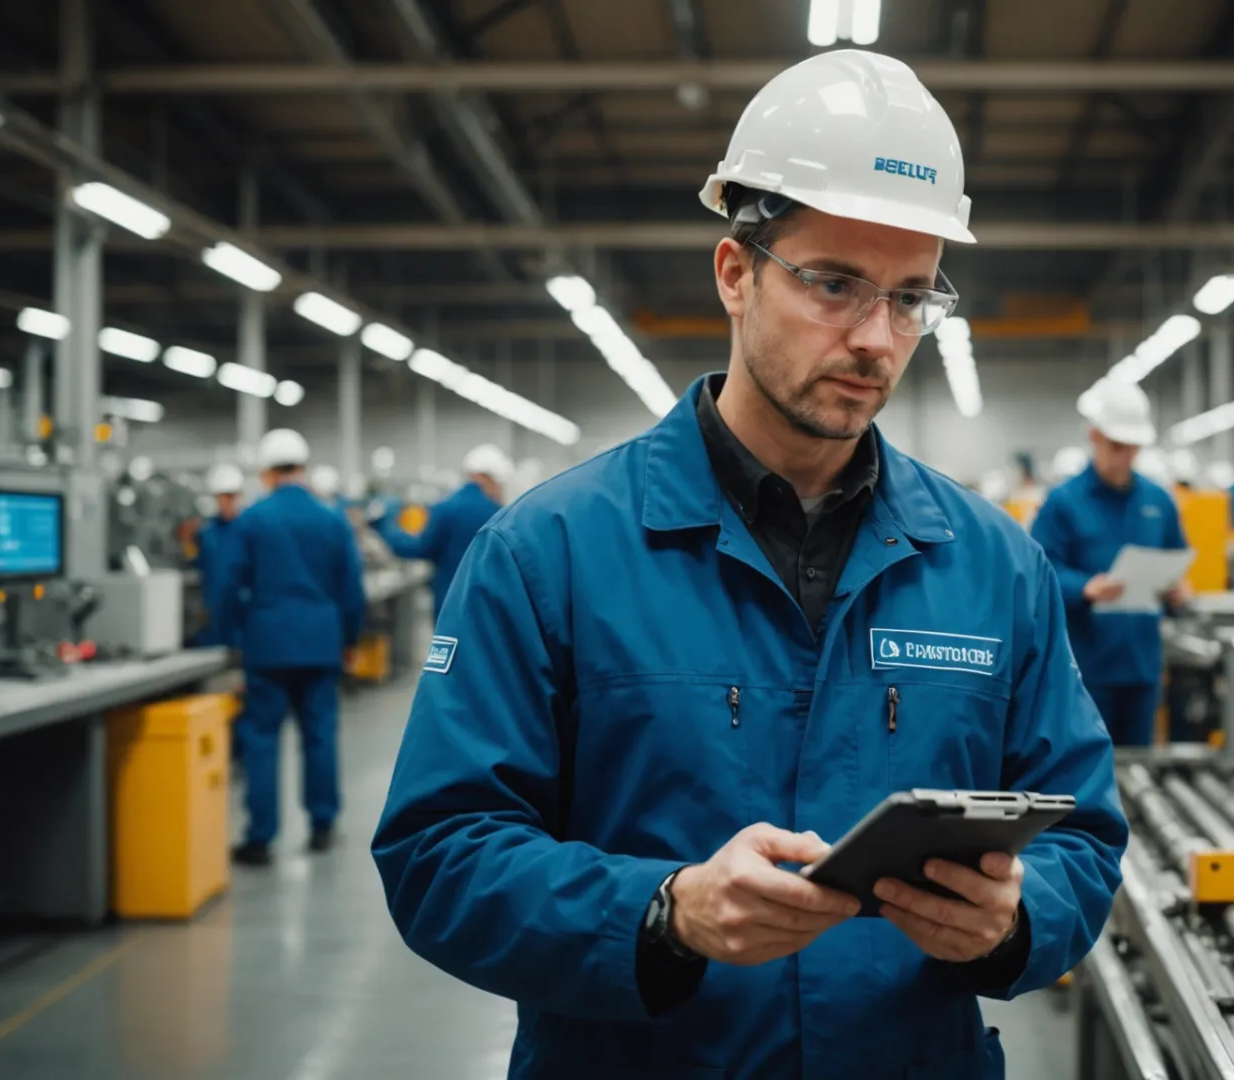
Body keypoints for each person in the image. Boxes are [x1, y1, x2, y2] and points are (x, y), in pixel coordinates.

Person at [374, 49, 1126, 1080]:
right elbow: (439, 855)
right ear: (736, 272)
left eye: (910, 298)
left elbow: (1081, 834)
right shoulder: (549, 552)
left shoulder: (996, 565)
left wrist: (1014, 918)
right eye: (833, 285)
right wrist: (663, 912)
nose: (874, 337)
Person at [215, 429, 366, 866]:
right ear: (302, 467)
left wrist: (231, 638)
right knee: (319, 736)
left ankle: (261, 838)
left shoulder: (252, 520)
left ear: (266, 471)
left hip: (266, 646)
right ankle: (322, 825)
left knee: (261, 739)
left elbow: (226, 586)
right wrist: (350, 640)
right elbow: (352, 591)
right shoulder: (332, 519)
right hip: (321, 644)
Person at [1030, 375, 1192, 747]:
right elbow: (1039, 573)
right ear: (1094, 436)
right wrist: (1084, 588)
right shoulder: (1063, 503)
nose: (1125, 457)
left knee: (1139, 772)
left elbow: (1175, 560)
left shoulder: (1159, 502)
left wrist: (1179, 591)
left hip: (1141, 666)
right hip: (1086, 667)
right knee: (1085, 768)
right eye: (1117, 446)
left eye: (1133, 448)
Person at [375, 444, 508, 620]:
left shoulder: (446, 508)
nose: (499, 489)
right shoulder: (499, 514)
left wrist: (383, 526)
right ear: (484, 477)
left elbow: (418, 547)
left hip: (449, 603)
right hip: (487, 607)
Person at [187, 463, 245, 648]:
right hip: (214, 616)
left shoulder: (248, 530)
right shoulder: (206, 534)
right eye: (223, 497)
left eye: (232, 496)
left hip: (242, 617)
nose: (228, 502)